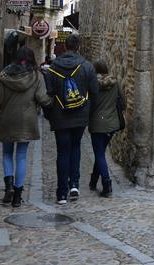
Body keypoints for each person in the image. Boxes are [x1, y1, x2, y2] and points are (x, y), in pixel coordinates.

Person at [0, 45, 50, 208]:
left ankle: (8, 187)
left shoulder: (5, 76)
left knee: (7, 153)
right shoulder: (37, 76)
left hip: (7, 119)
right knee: (21, 156)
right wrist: (54, 103)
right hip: (27, 121)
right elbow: (42, 99)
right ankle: (17, 196)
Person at [42, 33, 98, 204]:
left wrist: (49, 115)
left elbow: (49, 95)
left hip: (60, 116)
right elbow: (94, 93)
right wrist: (89, 112)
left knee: (62, 152)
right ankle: (74, 184)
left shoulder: (52, 69)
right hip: (80, 115)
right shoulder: (87, 67)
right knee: (76, 148)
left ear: (64, 46)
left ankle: (61, 193)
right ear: (78, 47)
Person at [88, 59, 125, 197]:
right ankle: (93, 181)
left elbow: (89, 104)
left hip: (98, 123)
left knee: (99, 154)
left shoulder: (92, 84)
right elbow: (123, 102)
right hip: (112, 124)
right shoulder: (115, 83)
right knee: (101, 153)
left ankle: (107, 184)